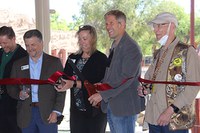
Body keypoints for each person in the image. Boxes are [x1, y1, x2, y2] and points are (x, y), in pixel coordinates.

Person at [137, 12, 200, 133]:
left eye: (160, 25)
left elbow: (192, 88)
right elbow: (150, 80)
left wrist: (170, 111)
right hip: (153, 118)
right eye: (155, 26)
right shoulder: (159, 53)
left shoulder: (187, 51)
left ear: (172, 26)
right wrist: (146, 89)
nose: (156, 30)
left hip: (174, 121)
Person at [88, 10, 145, 133]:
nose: (107, 27)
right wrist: (100, 84)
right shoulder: (115, 45)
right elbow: (112, 74)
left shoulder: (131, 47)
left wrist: (102, 95)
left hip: (124, 107)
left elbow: (126, 79)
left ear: (121, 24)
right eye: (106, 24)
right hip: (112, 105)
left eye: (111, 23)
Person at [7, 29, 66, 133]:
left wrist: (56, 111)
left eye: (33, 45)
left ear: (41, 43)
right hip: (26, 114)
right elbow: (11, 87)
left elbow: (61, 90)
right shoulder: (18, 64)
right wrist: (19, 94)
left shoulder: (54, 63)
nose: (30, 48)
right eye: (27, 45)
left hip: (48, 113)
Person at [55, 25, 108, 133]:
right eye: (79, 38)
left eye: (85, 38)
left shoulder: (101, 58)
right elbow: (66, 78)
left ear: (93, 39)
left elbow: (98, 84)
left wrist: (73, 84)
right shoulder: (73, 57)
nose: (82, 42)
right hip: (76, 111)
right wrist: (61, 84)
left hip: (95, 110)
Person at [0, 26, 28, 133]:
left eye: (5, 43)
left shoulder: (23, 55)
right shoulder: (0, 53)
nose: (3, 46)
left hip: (14, 104)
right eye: (0, 43)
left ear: (13, 39)